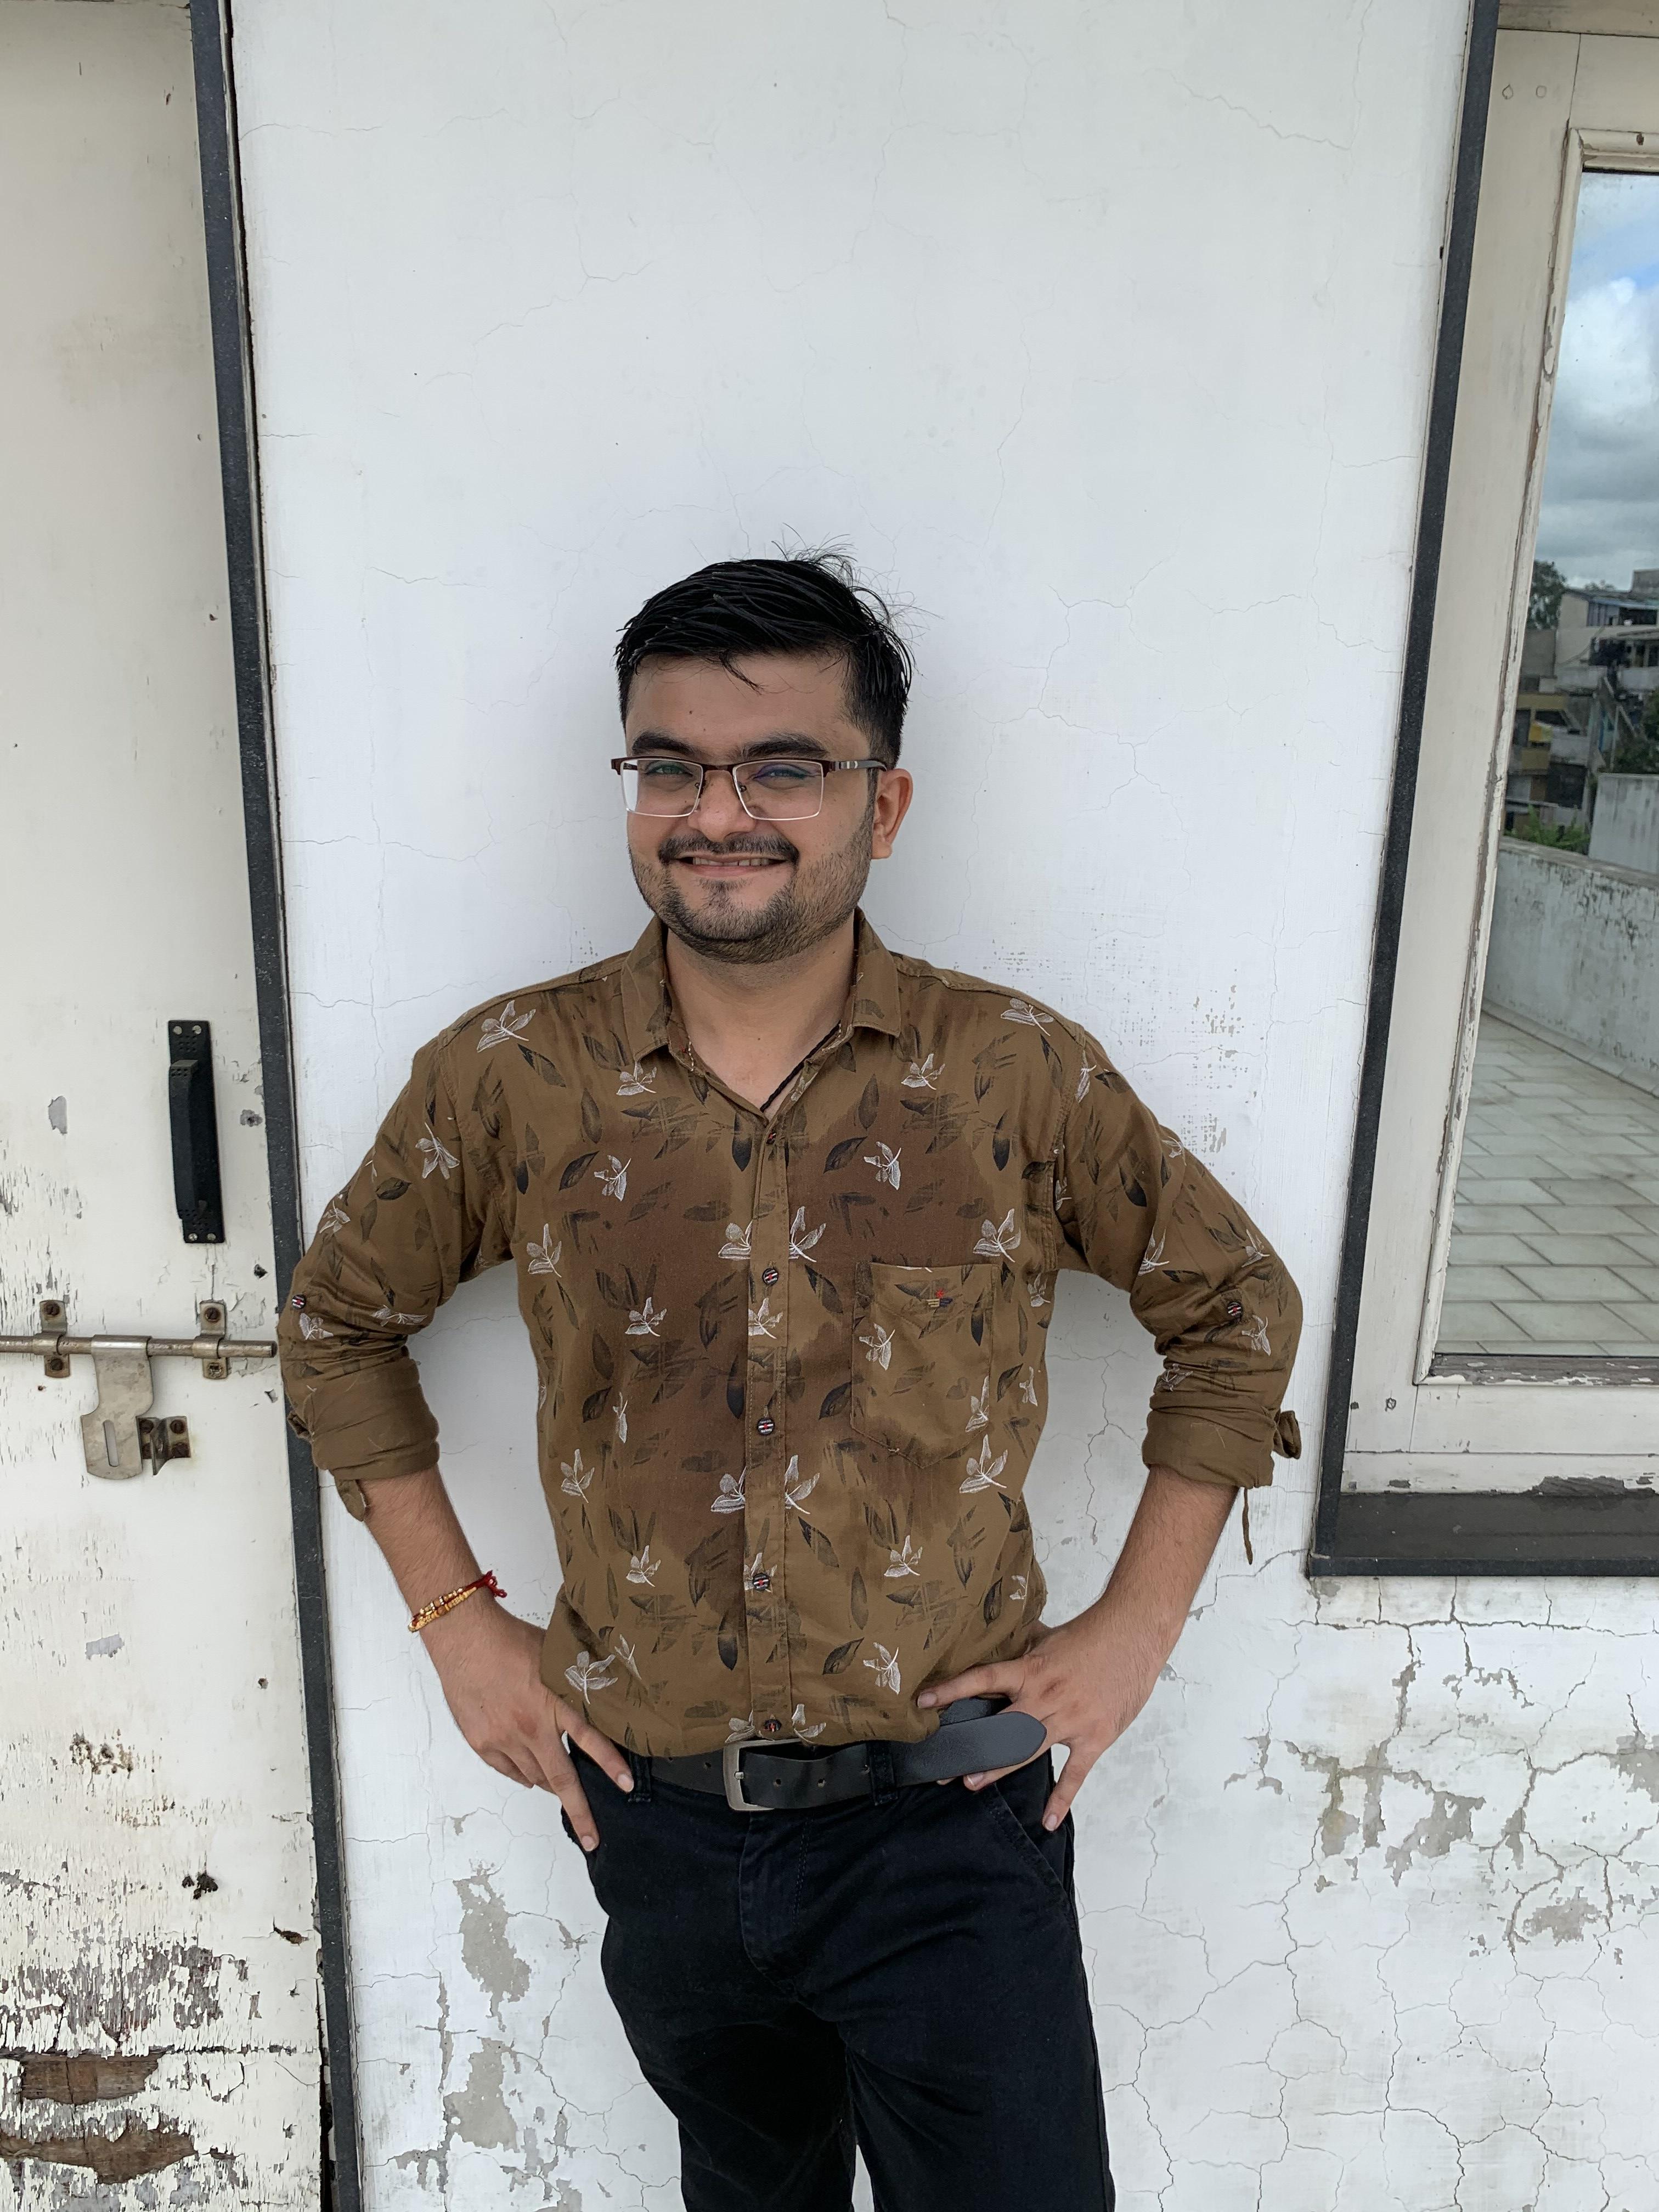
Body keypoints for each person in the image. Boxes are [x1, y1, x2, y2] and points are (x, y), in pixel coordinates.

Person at [279, 552, 1302, 2212]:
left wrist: (1136, 1632)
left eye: (781, 768)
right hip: (659, 1825)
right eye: (671, 767)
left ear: (880, 803)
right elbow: (335, 1322)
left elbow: (1238, 1310)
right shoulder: (513, 1076)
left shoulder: (1012, 1076)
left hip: (950, 1819)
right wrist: (458, 1623)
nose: (717, 815)